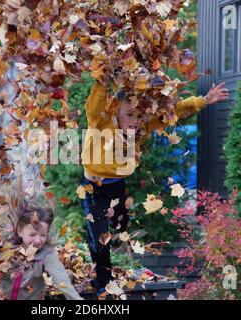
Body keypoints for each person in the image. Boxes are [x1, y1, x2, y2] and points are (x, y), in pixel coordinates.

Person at [80, 74, 230, 296]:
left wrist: (203, 100)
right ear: (115, 112)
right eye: (129, 115)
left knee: (121, 228)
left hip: (118, 187)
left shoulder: (140, 128)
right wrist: (103, 78)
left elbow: (172, 113)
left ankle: (107, 260)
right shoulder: (100, 121)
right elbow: (94, 105)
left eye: (139, 116)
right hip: (93, 188)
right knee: (100, 237)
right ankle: (104, 283)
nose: (135, 121)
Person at [0, 198, 83, 300]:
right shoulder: (5, 250)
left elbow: (60, 278)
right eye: (32, 234)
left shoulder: (46, 255)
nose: (38, 240)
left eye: (43, 235)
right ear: (19, 231)